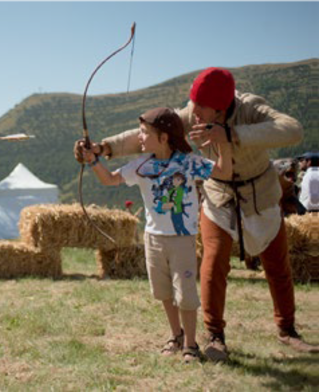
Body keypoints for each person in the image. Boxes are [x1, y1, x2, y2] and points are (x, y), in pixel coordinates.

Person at [74, 67, 317, 360]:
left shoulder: (250, 107)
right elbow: (147, 134)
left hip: (260, 194)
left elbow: (292, 129)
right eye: (193, 104)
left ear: (221, 106)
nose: (193, 112)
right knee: (213, 267)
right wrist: (104, 147)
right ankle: (214, 336)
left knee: (277, 265)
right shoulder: (194, 112)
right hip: (219, 195)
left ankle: (287, 330)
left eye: (201, 107)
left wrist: (230, 134)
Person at [82, 107, 233, 363]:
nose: (139, 138)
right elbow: (109, 180)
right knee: (163, 292)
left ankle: (191, 345)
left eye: (144, 132)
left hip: (182, 239)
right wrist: (92, 160)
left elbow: (224, 173)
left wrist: (224, 144)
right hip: (152, 238)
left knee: (185, 293)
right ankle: (176, 335)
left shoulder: (188, 161)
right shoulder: (141, 165)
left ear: (164, 137)